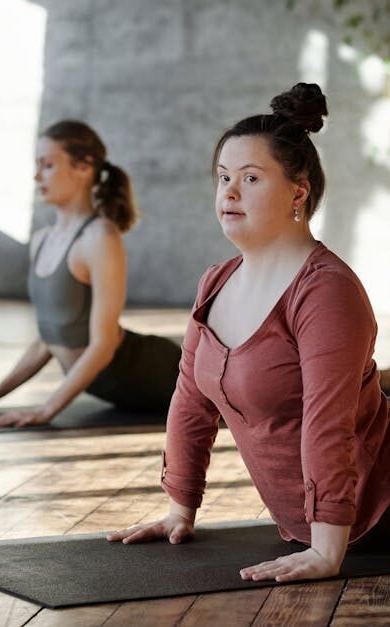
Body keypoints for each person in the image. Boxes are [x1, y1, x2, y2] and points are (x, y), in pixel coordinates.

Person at [107, 83, 390, 583]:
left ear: (297, 192)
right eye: (223, 178)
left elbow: (330, 425)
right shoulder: (215, 281)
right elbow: (191, 401)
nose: (229, 192)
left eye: (251, 178)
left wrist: (326, 551)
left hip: (378, 515)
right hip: (310, 525)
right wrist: (180, 507)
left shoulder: (326, 292)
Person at [0, 120, 182, 427]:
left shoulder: (100, 237)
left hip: (159, 373)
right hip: (122, 389)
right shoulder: (42, 240)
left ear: (84, 167)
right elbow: (47, 340)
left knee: (245, 401)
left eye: (47, 165)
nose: (37, 176)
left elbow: (103, 344)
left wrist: (47, 410)